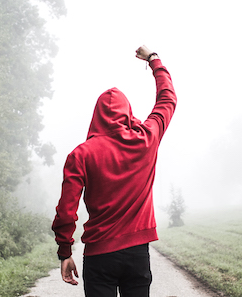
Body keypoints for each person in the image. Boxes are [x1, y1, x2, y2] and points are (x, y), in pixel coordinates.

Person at [51, 45, 177, 297]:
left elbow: (67, 210)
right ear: (127, 112)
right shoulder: (146, 139)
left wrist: (65, 251)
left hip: (99, 256)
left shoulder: (81, 154)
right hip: (137, 253)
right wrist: (154, 60)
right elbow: (167, 99)